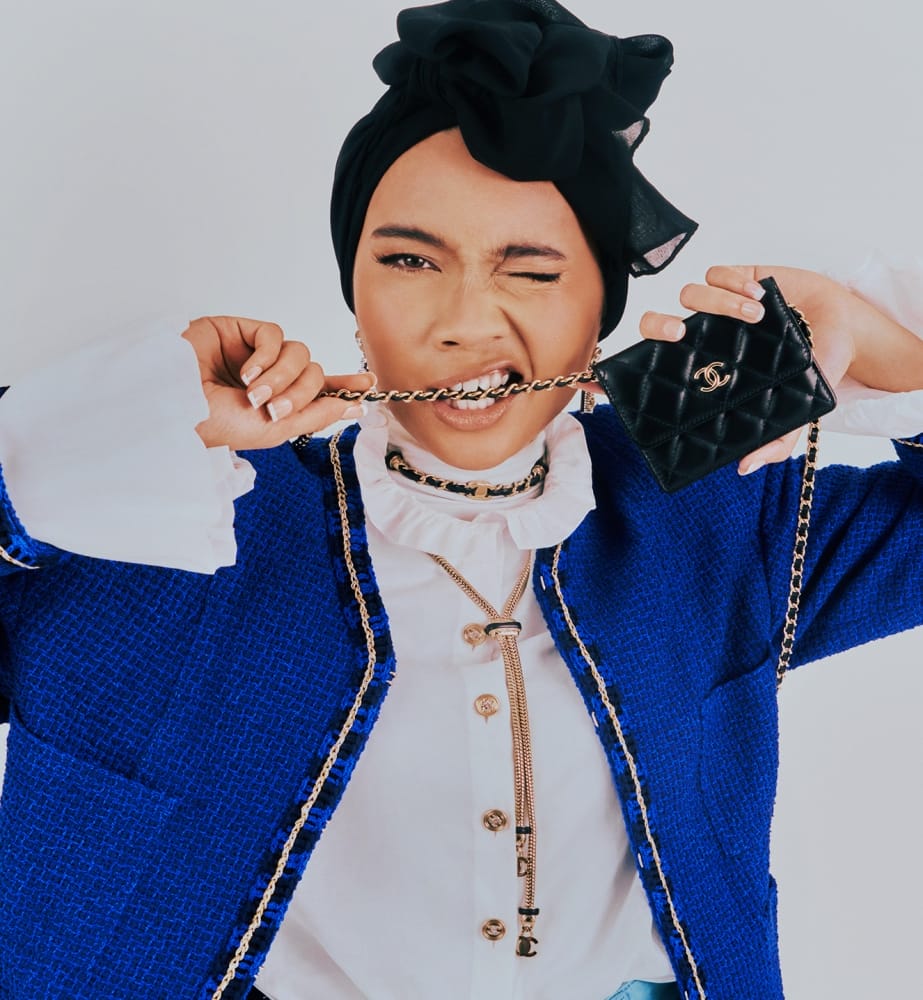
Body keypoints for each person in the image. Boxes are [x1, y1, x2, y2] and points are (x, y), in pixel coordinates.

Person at [1, 2, 922, 998]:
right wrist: (120, 425)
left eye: (531, 271)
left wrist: (888, 351)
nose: (463, 322)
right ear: (354, 294)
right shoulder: (161, 525)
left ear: (597, 319)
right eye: (409, 261)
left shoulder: (715, 519)